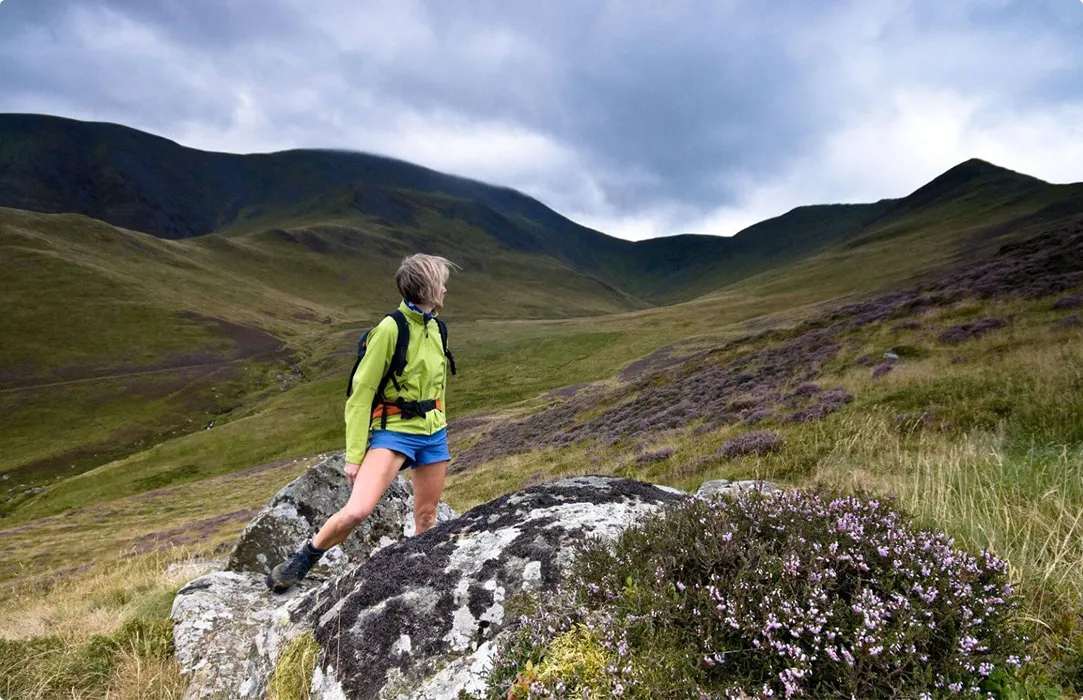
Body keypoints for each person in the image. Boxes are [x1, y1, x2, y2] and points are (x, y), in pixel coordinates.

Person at [266, 253, 458, 593]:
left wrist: (440, 425)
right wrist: (355, 454)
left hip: (433, 433)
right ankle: (305, 559)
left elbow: (438, 383)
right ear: (427, 287)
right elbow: (360, 394)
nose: (445, 287)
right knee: (358, 511)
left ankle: (418, 576)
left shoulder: (437, 328)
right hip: (395, 432)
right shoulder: (389, 329)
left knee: (427, 517)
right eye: (440, 281)